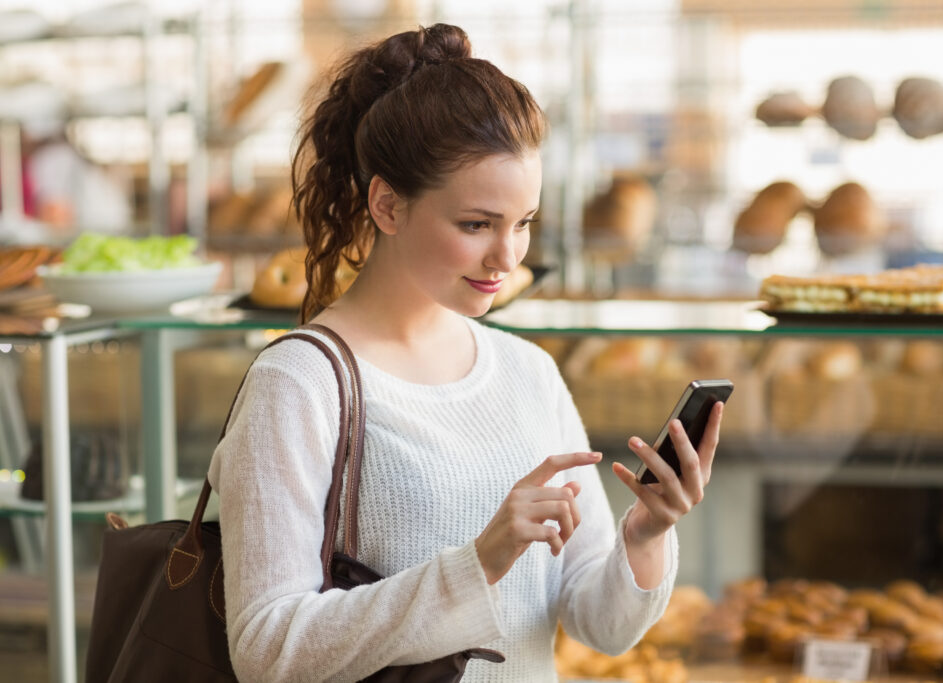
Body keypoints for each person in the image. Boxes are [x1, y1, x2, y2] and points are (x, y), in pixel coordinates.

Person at [208, 23, 723, 682]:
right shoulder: (299, 381)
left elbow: (600, 624)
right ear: (388, 205)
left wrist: (646, 532)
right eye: (476, 224)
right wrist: (476, 564)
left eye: (523, 224)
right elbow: (265, 648)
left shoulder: (525, 371)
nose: (506, 259)